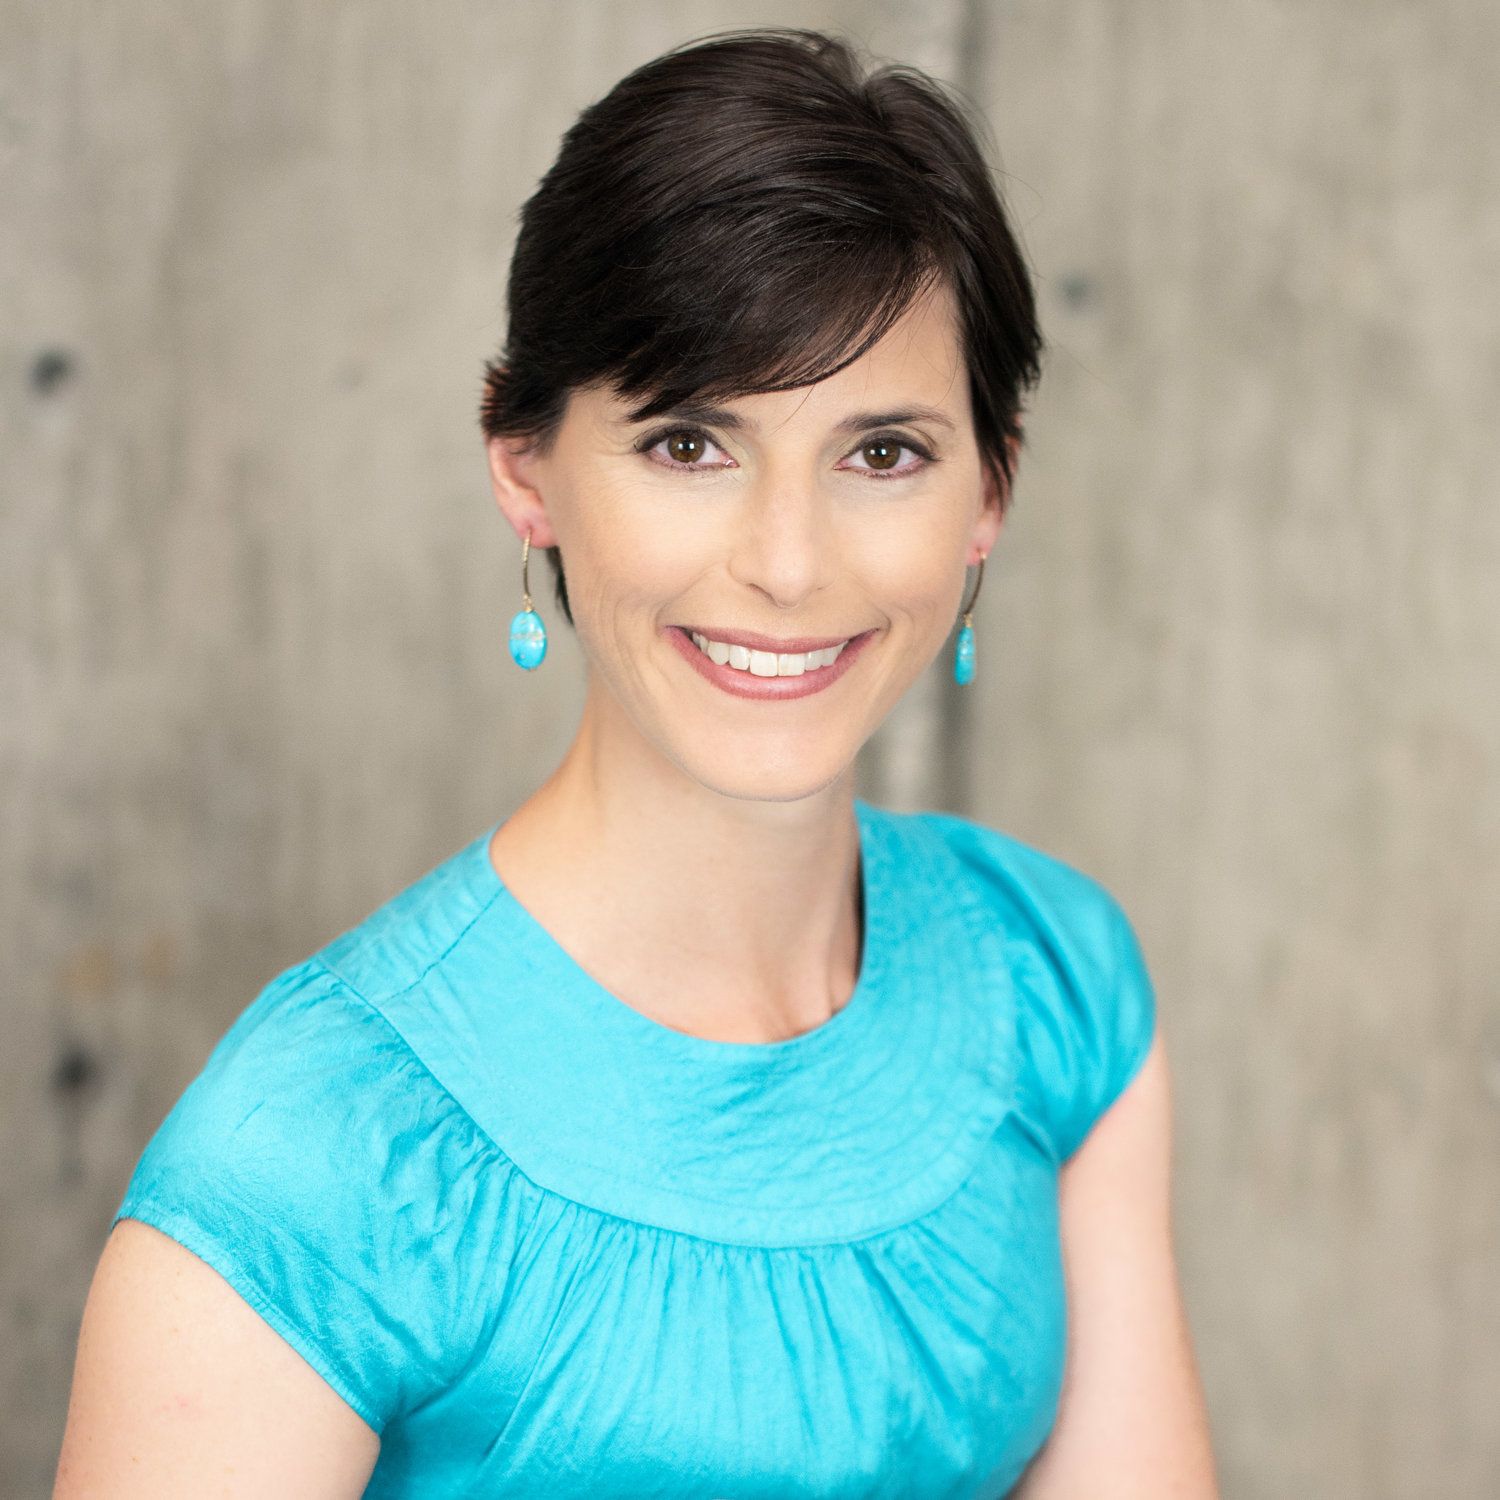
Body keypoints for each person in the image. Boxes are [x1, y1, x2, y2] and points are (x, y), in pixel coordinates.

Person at [54, 26, 1218, 1499]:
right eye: (688, 444)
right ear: (525, 469)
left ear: (990, 489)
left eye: (882, 454)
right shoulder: (316, 1150)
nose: (788, 565)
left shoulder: (1056, 980)